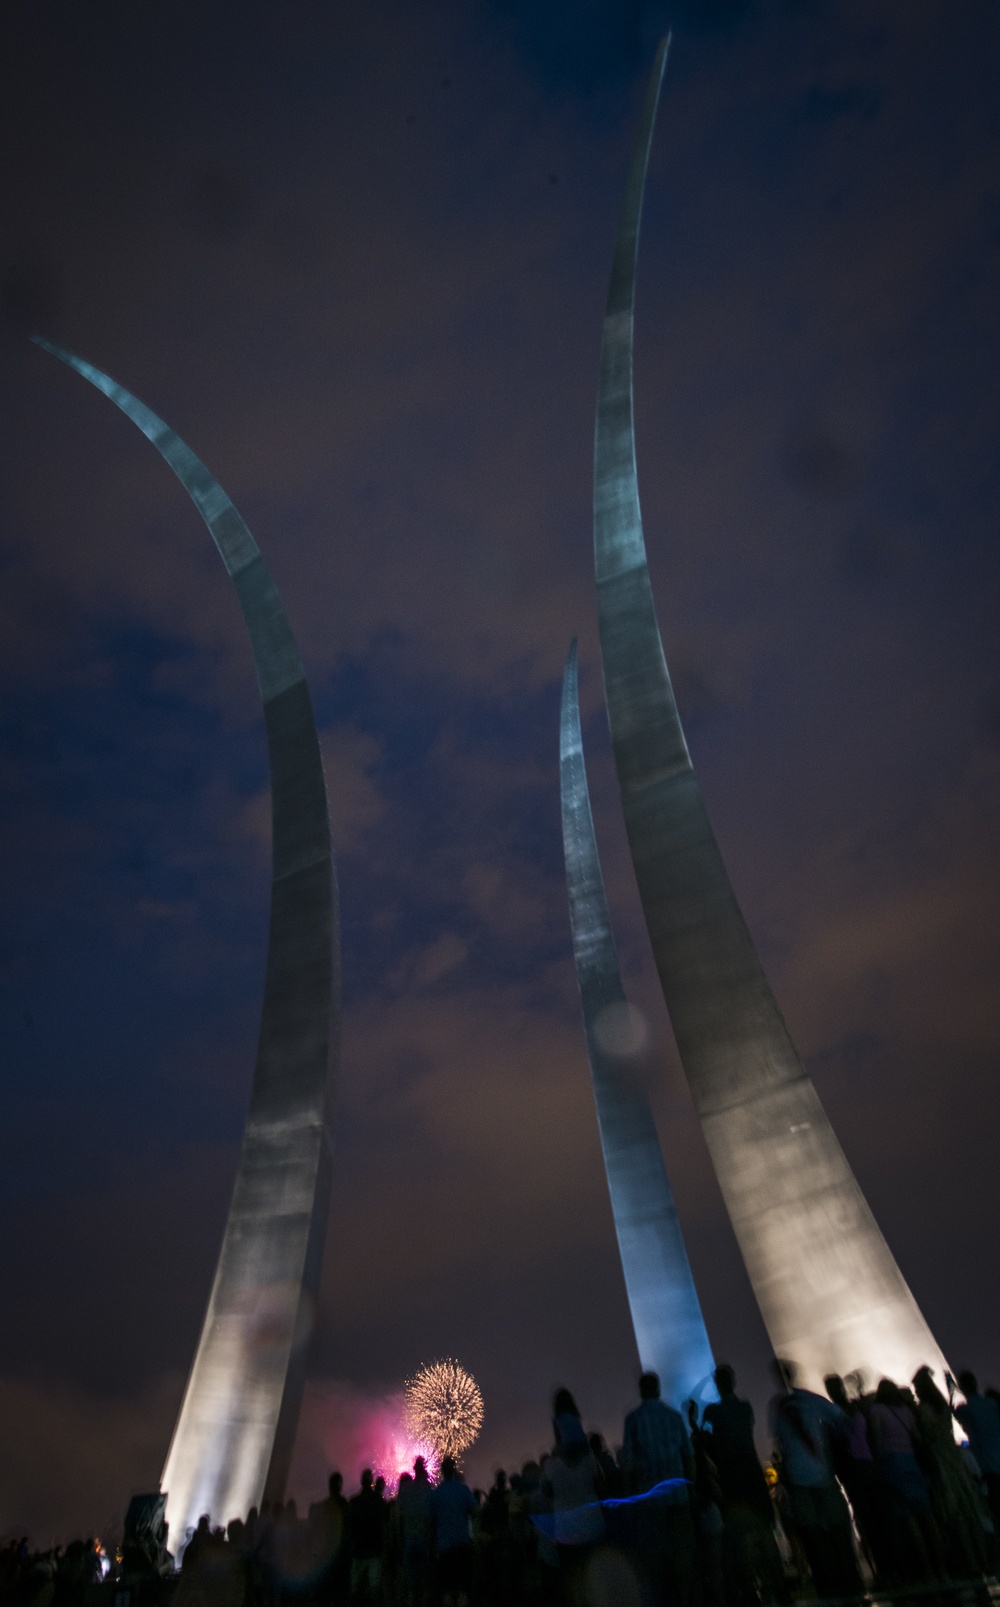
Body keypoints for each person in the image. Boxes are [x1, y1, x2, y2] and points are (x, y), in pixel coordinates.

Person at [769, 1359, 861, 1599]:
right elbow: (843, 1422)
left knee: (813, 1535)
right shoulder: (811, 1400)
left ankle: (827, 1583)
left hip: (802, 1479)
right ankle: (848, 1580)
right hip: (821, 1474)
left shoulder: (779, 1406)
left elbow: (780, 1443)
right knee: (836, 1529)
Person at [703, 1364, 788, 1606]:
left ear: (718, 1384)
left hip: (732, 1481)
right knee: (765, 1533)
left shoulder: (713, 1412)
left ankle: (751, 1591)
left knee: (740, 1540)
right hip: (752, 1476)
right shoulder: (745, 1408)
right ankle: (780, 1587)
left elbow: (708, 1432)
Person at [622, 1371, 695, 1607]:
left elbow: (629, 1466)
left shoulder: (633, 1420)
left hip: (651, 1500)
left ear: (641, 1390)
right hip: (679, 1496)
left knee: (658, 1558)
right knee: (683, 1556)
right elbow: (688, 1457)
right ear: (658, 1389)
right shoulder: (674, 1417)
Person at [913, 1366, 988, 1578]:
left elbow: (924, 1437)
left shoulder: (924, 1410)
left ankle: (969, 1561)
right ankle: (981, 1556)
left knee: (955, 1516)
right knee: (969, 1512)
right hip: (954, 1461)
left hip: (940, 1463)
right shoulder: (943, 1408)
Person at [954, 1371, 1000, 1532]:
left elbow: (954, 1413)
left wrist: (952, 1392)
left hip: (987, 1467)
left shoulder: (965, 1410)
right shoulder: (991, 1404)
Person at [430, 1457, 478, 1606]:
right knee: (463, 1589)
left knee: (447, 1591)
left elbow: (430, 1522)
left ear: (442, 1472)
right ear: (454, 1470)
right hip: (462, 1545)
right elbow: (476, 1511)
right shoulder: (463, 1491)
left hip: (444, 1549)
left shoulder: (436, 1494)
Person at [348, 1470, 387, 1601]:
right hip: (374, 1551)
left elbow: (350, 1527)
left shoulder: (354, 1502)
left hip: (358, 1551)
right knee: (374, 1587)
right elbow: (384, 1523)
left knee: (356, 1589)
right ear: (371, 1482)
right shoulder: (378, 1501)